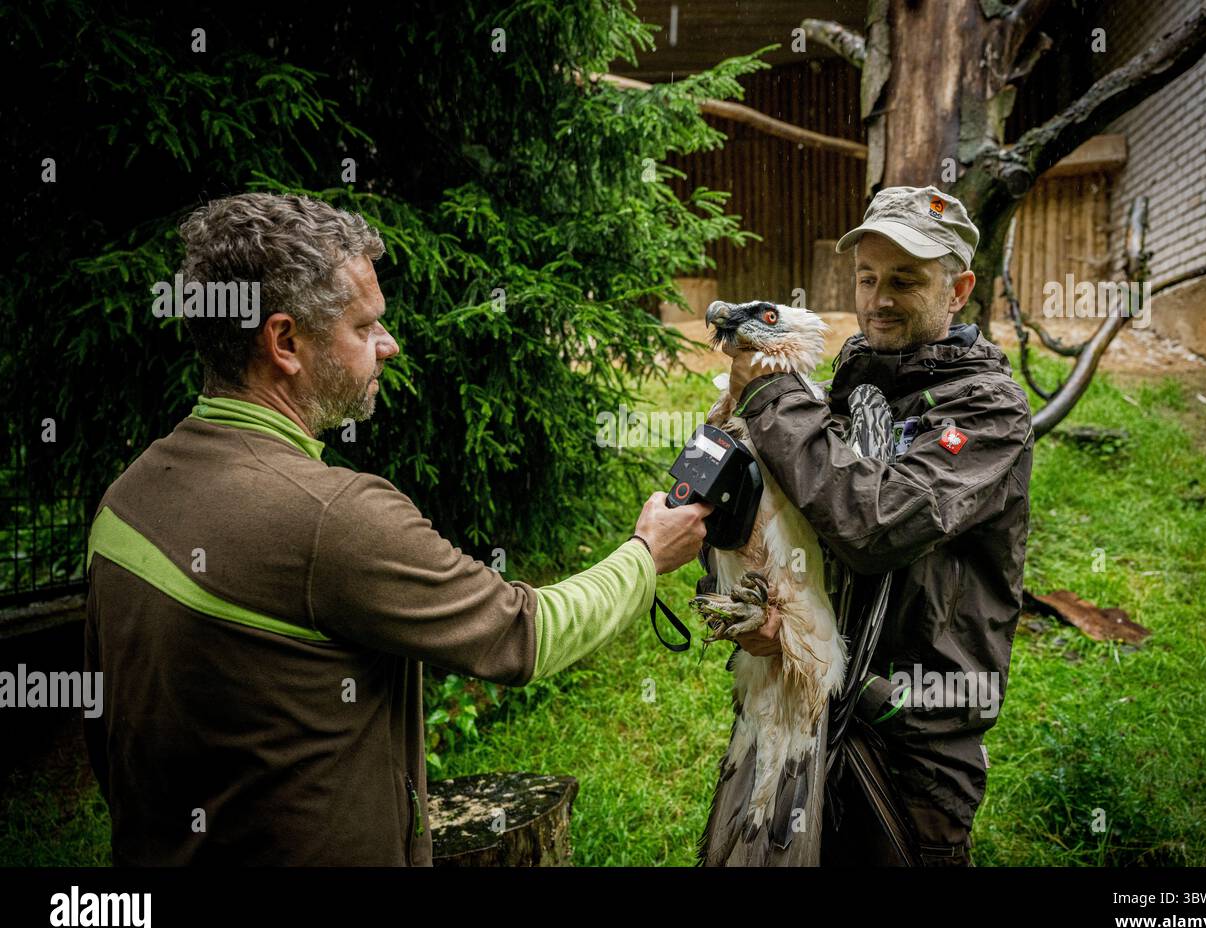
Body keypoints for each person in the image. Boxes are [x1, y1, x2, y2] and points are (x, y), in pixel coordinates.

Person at [83, 192, 711, 865]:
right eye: (365, 327)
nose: (391, 345)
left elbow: (107, 728)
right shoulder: (333, 518)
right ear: (285, 342)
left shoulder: (127, 497)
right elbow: (526, 634)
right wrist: (647, 555)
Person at [714, 185, 1034, 865]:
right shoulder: (848, 388)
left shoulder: (987, 412)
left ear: (959, 289)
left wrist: (771, 394)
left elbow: (872, 522)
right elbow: (803, 523)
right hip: (810, 713)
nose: (879, 297)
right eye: (867, 277)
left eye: (905, 279)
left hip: (913, 740)